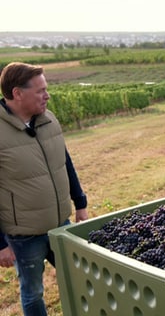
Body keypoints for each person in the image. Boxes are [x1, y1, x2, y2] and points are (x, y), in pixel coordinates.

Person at [0, 62, 89, 316]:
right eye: (40, 90)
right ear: (17, 93)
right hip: (24, 235)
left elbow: (65, 162)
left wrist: (80, 202)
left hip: (60, 223)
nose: (47, 95)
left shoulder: (48, 119)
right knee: (33, 292)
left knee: (79, 274)